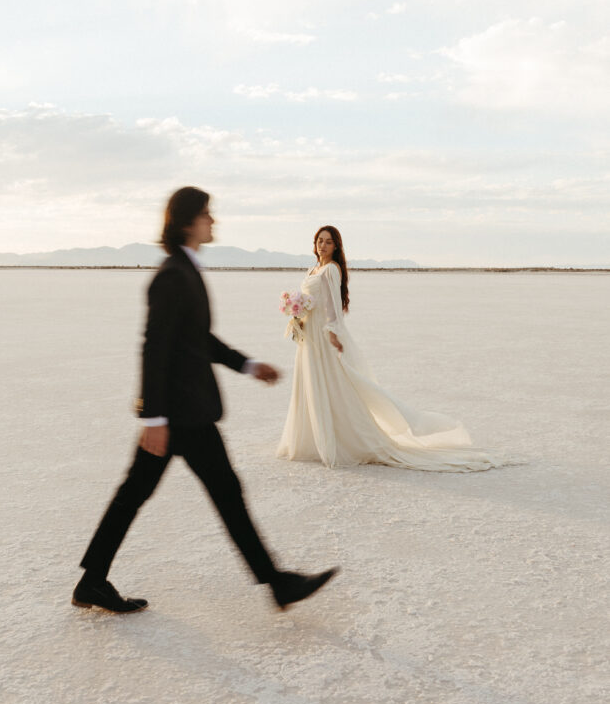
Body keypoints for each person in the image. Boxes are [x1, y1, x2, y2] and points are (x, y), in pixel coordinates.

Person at [73, 188, 338, 613]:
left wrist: (248, 365)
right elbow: (154, 346)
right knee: (214, 494)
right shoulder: (172, 276)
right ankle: (276, 583)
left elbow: (196, 339)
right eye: (206, 215)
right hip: (180, 416)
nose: (213, 221)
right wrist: (154, 418)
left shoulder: (186, 270)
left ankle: (91, 582)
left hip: (183, 413)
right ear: (186, 222)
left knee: (152, 495)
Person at [277, 225, 502, 472]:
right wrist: (297, 313)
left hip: (321, 336)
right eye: (320, 241)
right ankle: (310, 438)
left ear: (336, 246)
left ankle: (344, 437)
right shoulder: (313, 269)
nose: (323, 245)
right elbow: (312, 301)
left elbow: (333, 306)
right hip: (307, 336)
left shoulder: (331, 270)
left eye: (328, 242)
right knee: (310, 383)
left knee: (332, 383)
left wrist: (333, 333)